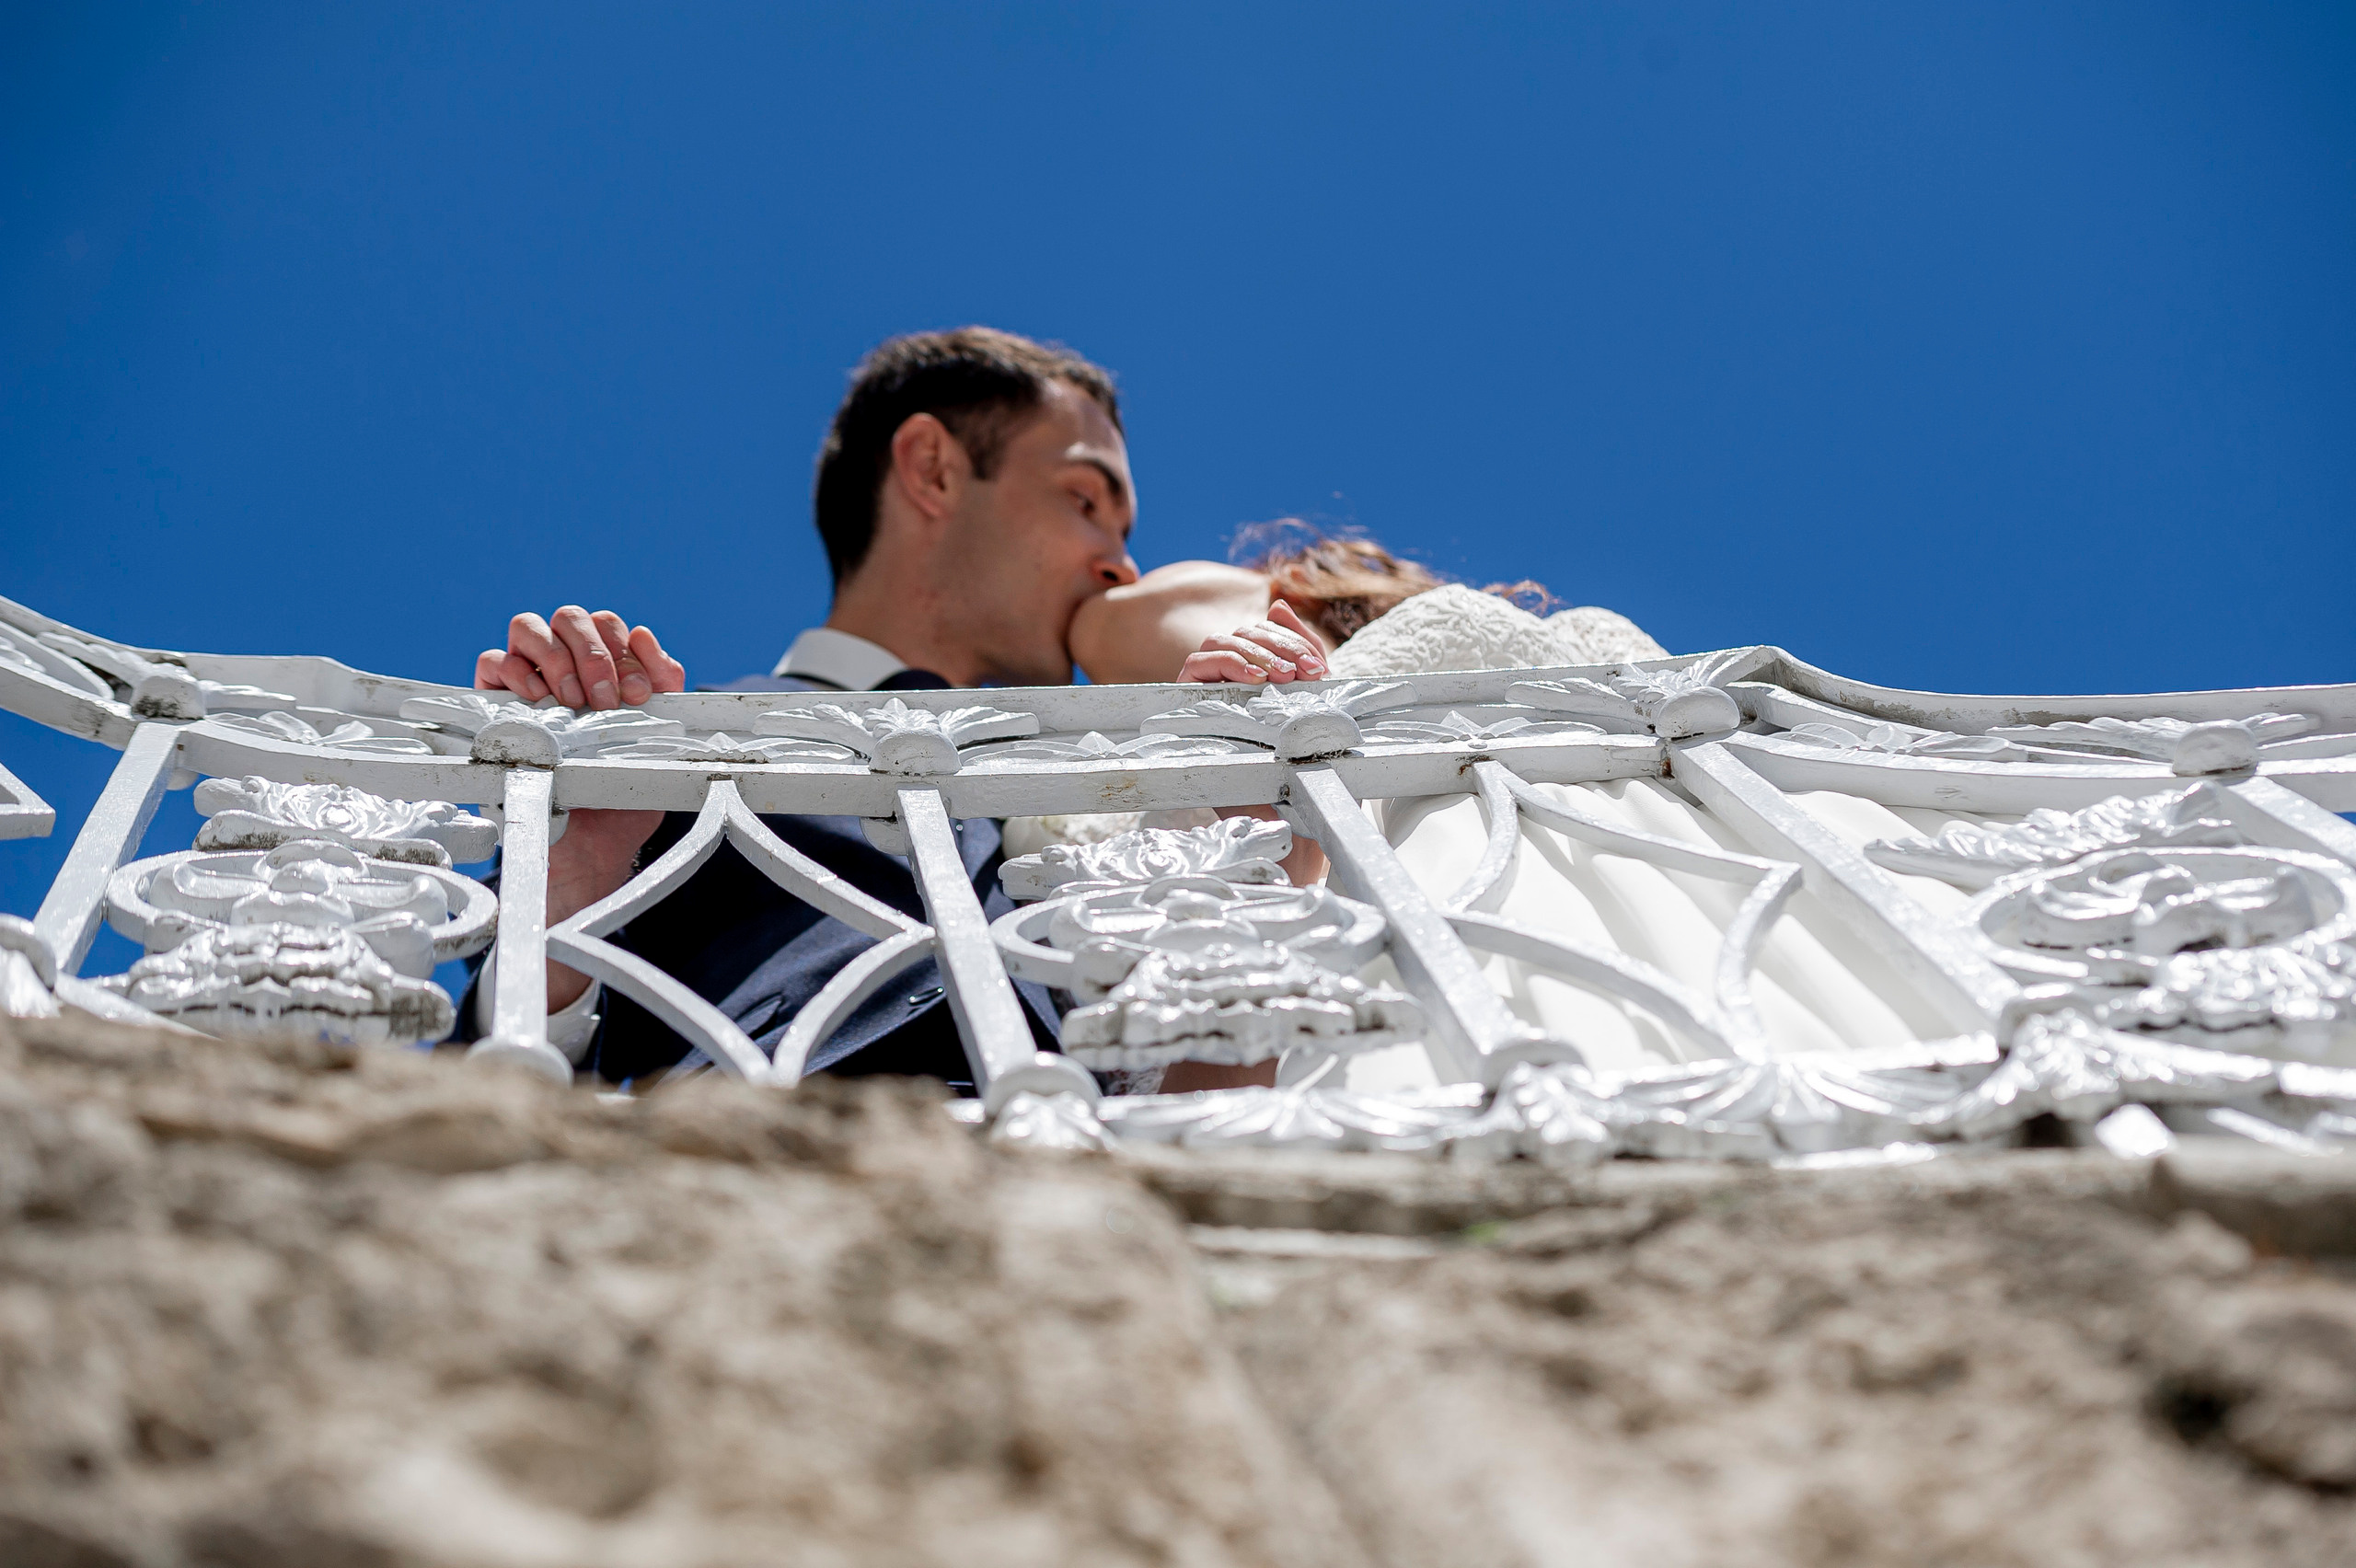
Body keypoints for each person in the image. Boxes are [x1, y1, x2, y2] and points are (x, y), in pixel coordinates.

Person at [465, 327, 1140, 1087]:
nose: (1123, 566)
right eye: (1085, 500)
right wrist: (580, 872)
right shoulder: (654, 732)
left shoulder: (1093, 783)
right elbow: (489, 1084)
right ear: (934, 470)